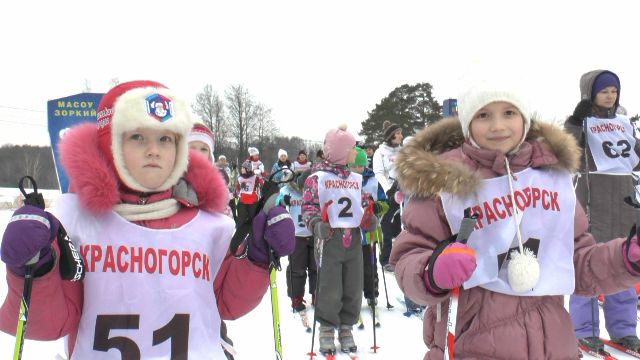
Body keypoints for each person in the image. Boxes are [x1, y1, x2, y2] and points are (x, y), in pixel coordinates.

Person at [0, 80, 295, 359]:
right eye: (138, 136)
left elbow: (226, 302)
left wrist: (257, 256)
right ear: (111, 143)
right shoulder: (77, 220)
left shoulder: (208, 225)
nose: (153, 150)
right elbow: (50, 323)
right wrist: (34, 270)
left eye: (165, 139)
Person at [389, 80, 640, 359]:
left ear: (524, 118)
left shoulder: (551, 179)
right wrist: (430, 271)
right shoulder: (442, 181)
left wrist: (625, 258)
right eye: (484, 115)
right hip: (470, 343)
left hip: (552, 344)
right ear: (467, 121)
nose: (498, 126)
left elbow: (578, 262)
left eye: (509, 113)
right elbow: (408, 255)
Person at [564, 69, 640, 353]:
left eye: (614, 91)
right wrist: (575, 121)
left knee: (624, 265)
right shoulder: (580, 123)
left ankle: (624, 329)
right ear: (590, 93)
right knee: (589, 266)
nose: (610, 96)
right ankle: (585, 328)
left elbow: (632, 160)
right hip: (592, 204)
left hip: (623, 205)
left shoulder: (623, 123)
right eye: (604, 91)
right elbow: (564, 152)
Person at [302, 126, 378, 356]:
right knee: (330, 286)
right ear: (340, 151)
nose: (356, 153)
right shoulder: (317, 179)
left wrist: (369, 219)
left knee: (353, 285)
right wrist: (316, 224)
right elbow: (308, 207)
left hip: (353, 240)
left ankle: (346, 326)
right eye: (352, 148)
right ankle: (327, 326)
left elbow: (362, 205)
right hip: (329, 240)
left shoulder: (355, 179)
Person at [348, 147, 387, 327]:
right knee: (352, 269)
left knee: (370, 266)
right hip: (350, 233)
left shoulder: (372, 181)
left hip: (369, 231)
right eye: (354, 166)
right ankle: (351, 298)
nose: (358, 169)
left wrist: (379, 207)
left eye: (361, 166)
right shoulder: (344, 181)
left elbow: (384, 201)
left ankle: (372, 296)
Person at [278, 170, 316, 327]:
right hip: (296, 235)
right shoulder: (287, 190)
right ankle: (296, 297)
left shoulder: (316, 191)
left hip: (315, 234)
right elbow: (275, 205)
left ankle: (317, 294)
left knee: (316, 267)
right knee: (297, 268)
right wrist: (282, 202)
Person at [373, 120, 403, 272]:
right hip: (389, 191)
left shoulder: (402, 150)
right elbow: (378, 173)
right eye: (397, 133)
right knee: (387, 224)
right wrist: (388, 189)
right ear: (391, 136)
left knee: (403, 225)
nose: (400, 136)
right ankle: (385, 259)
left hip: (403, 190)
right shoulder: (380, 152)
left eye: (400, 133)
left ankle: (402, 256)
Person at [235, 160, 264, 227]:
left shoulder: (254, 177)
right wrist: (237, 193)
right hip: (242, 200)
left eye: (243, 168)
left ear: (247, 169)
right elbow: (237, 188)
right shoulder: (240, 178)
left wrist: (260, 175)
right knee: (241, 218)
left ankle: (253, 230)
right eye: (241, 168)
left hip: (253, 201)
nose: (241, 169)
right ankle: (239, 231)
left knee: (253, 217)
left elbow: (262, 183)